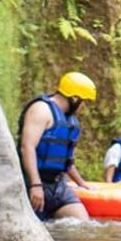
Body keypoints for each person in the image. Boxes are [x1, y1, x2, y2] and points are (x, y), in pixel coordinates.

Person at [17, 71, 96, 221]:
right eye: (84, 102)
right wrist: (35, 185)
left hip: (57, 185)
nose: (85, 107)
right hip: (32, 182)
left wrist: (82, 184)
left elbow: (67, 161)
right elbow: (27, 147)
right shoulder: (41, 110)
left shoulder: (70, 121)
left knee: (82, 224)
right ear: (74, 98)